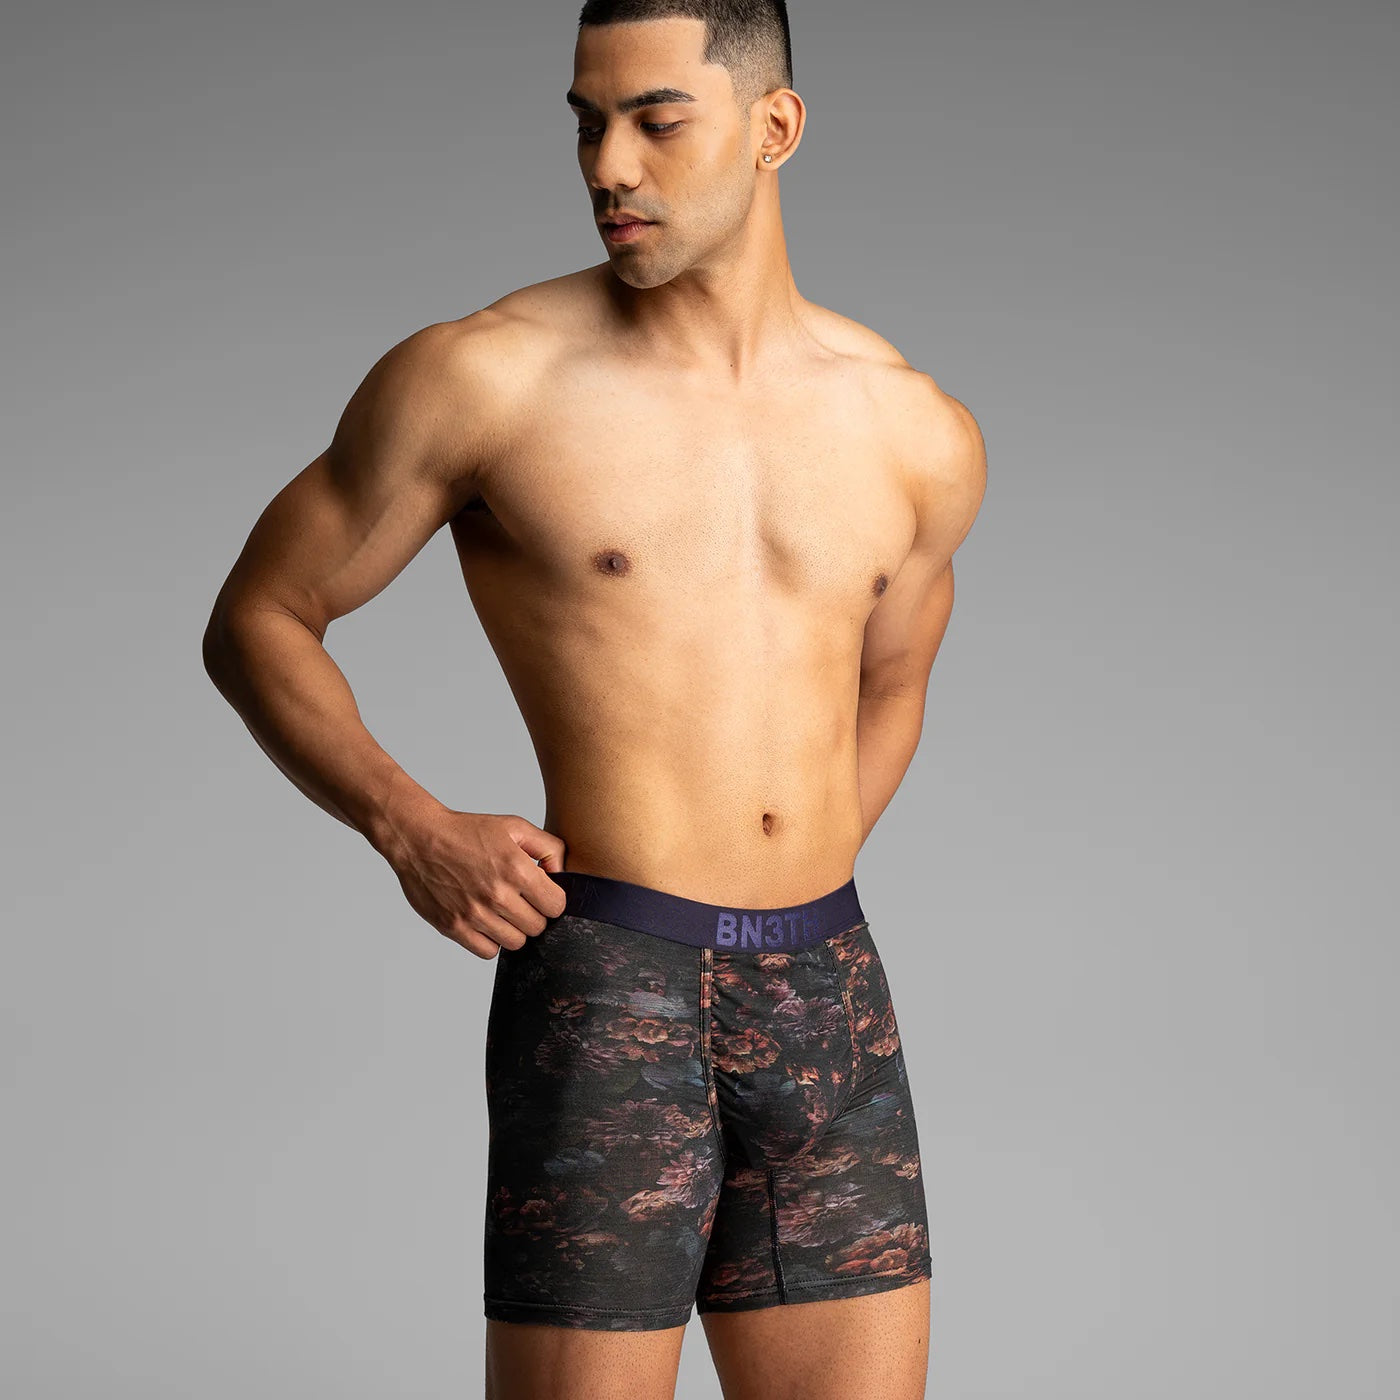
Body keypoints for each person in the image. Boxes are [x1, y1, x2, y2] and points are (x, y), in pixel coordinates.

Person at [202, 1, 986, 1395]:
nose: (608, 165)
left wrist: (786, 873)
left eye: (656, 121)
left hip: (830, 993)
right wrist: (407, 824)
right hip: (615, 980)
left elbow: (895, 682)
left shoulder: (912, 426)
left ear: (776, 127)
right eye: (587, 124)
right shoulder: (487, 376)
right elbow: (260, 617)